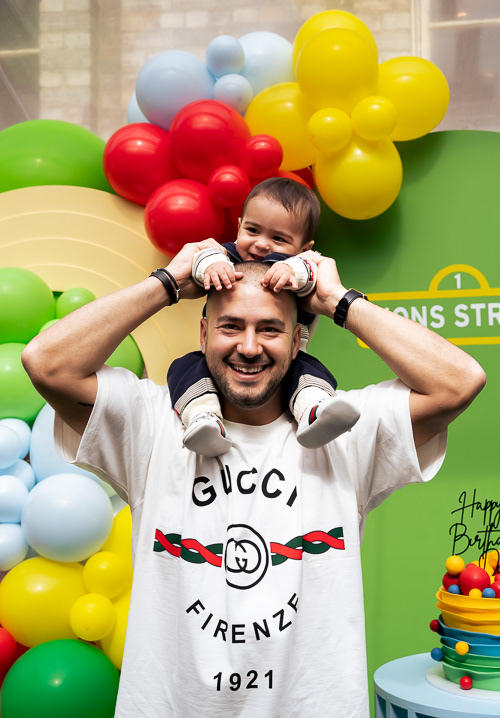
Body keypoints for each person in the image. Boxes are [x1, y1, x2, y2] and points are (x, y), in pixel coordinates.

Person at [22, 242, 486, 718]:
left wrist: (337, 301)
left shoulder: (345, 428)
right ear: (203, 333)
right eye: (230, 326)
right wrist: (168, 283)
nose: (248, 347)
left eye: (270, 329)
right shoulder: (149, 422)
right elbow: (46, 362)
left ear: (297, 342)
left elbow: (459, 381)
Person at [167, 177, 359, 458]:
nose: (261, 244)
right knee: (184, 369)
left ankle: (314, 412)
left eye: (278, 238)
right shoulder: (227, 257)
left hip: (287, 361)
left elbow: (312, 271)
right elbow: (202, 258)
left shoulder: (300, 265)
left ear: (304, 248)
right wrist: (211, 266)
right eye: (252, 230)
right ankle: (202, 418)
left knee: (310, 374)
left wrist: (294, 271)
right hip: (217, 363)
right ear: (239, 226)